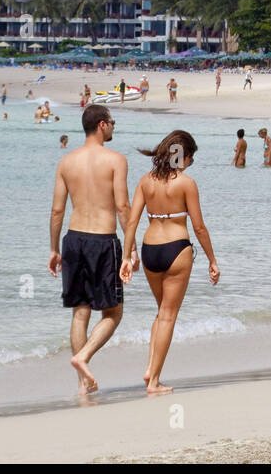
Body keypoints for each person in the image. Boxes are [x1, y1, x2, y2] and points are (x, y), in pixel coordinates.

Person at [120, 130, 219, 395]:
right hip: (177, 249)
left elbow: (131, 221)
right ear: (182, 155)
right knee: (168, 315)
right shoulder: (186, 183)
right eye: (190, 157)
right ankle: (154, 382)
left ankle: (150, 369)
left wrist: (126, 257)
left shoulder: (145, 181)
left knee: (161, 312)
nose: (190, 162)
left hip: (150, 248)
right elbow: (199, 227)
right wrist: (212, 259)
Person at [48, 104, 132, 395]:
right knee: (113, 313)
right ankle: (83, 357)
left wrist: (54, 249)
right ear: (102, 125)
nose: (114, 126)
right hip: (103, 241)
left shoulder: (66, 162)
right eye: (113, 122)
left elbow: (57, 211)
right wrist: (131, 249)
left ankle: (83, 383)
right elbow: (122, 206)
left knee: (79, 312)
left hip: (73, 240)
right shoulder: (116, 160)